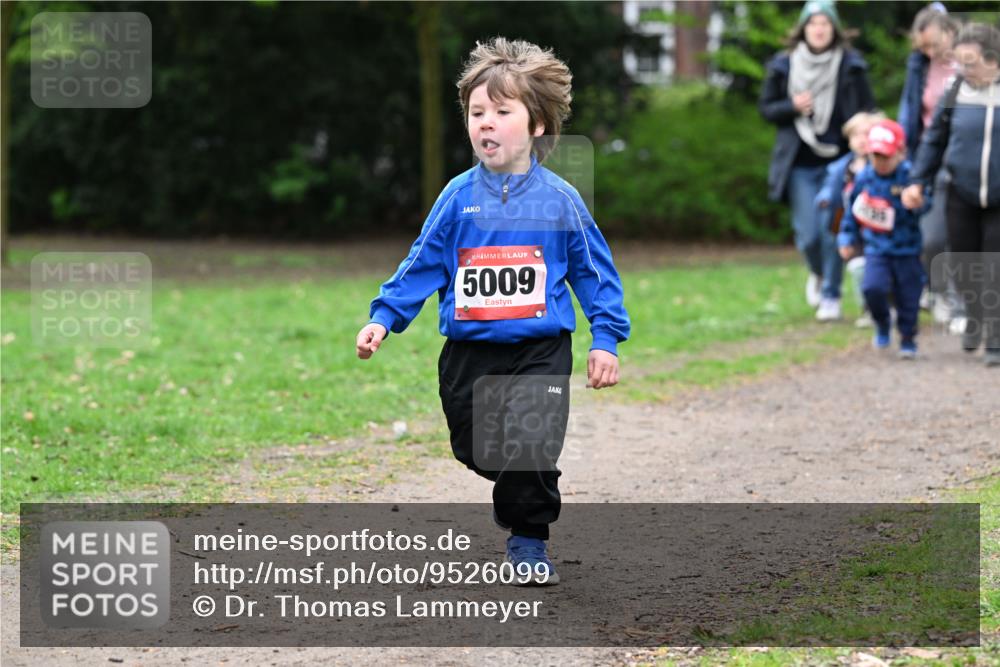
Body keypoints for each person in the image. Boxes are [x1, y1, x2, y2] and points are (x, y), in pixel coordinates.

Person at [355, 37, 631, 584]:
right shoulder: (458, 197)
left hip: (540, 349)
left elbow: (595, 274)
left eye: (502, 112)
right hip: (469, 353)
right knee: (479, 451)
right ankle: (521, 485)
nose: (486, 122)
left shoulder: (560, 201)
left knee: (530, 446)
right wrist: (383, 318)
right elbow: (423, 263)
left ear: (535, 126)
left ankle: (529, 542)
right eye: (477, 112)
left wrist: (606, 338)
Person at [760, 0, 876, 322]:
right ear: (804, 29)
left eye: (825, 23)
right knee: (809, 234)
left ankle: (831, 296)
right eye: (813, 23)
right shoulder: (783, 65)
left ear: (834, 29)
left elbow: (869, 108)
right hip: (799, 164)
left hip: (839, 164)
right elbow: (766, 109)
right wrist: (792, 106)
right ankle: (819, 272)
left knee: (834, 230)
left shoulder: (851, 64)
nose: (819, 29)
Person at [903, 23, 1000, 367]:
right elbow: (934, 140)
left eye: (970, 62)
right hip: (961, 190)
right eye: (959, 62)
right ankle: (974, 316)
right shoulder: (957, 91)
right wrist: (918, 180)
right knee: (961, 263)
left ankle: (995, 338)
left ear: (993, 60)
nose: (963, 69)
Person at [838, 120, 930, 359]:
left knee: (909, 296)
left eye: (885, 156)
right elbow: (852, 212)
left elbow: (927, 205)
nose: (880, 162)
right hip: (876, 248)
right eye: (874, 156)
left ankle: (908, 337)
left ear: (900, 152)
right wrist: (846, 238)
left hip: (908, 249)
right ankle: (882, 322)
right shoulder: (864, 178)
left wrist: (918, 202)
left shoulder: (911, 176)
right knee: (872, 288)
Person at [898, 4, 963, 329]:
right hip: (931, 156)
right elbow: (911, 112)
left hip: (969, 158)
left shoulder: (976, 61)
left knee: (966, 235)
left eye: (934, 45)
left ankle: (963, 304)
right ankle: (940, 291)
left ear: (950, 33)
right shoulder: (920, 66)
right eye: (923, 47)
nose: (929, 52)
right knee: (932, 238)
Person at [815, 110, 886, 327]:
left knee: (880, 268)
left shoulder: (883, 166)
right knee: (857, 268)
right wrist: (825, 198)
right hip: (849, 226)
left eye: (867, 134)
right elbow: (829, 189)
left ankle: (888, 305)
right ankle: (868, 308)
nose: (862, 140)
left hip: (879, 228)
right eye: (856, 135)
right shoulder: (841, 168)